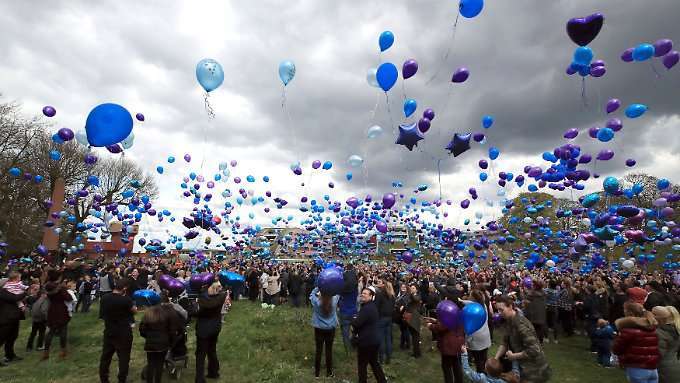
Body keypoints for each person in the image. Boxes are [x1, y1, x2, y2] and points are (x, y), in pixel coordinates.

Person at [494, 295, 552, 382]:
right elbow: (505, 342)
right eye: (498, 310)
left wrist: (514, 356)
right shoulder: (509, 321)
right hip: (522, 367)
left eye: (501, 310)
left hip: (534, 370)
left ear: (510, 306)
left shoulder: (521, 325)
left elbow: (534, 350)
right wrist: (496, 359)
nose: (499, 313)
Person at [613, 301, 661, 383]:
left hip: (637, 367)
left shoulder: (628, 331)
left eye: (624, 310)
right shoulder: (651, 329)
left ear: (630, 313)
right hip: (652, 368)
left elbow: (617, 348)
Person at [99, 278, 136, 383]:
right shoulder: (126, 300)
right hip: (123, 332)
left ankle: (104, 379)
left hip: (109, 331)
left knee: (105, 357)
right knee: (124, 358)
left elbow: (102, 316)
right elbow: (134, 311)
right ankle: (122, 379)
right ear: (124, 288)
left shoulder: (104, 298)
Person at [351, 287, 387, 383]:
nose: (363, 294)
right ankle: (382, 380)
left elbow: (356, 323)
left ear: (371, 296)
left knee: (362, 365)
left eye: (365, 293)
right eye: (362, 293)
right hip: (374, 340)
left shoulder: (367, 308)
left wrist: (353, 319)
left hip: (366, 342)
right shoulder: (371, 306)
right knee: (374, 363)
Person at [194, 282, 227, 383]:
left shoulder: (204, 301)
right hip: (215, 327)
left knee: (201, 354)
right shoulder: (220, 297)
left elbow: (196, 313)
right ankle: (213, 372)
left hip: (204, 329)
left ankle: (200, 378)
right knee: (212, 350)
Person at [140, 304, 178, 383]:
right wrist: (171, 342)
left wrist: (148, 336)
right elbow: (171, 331)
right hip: (162, 343)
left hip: (150, 343)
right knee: (159, 365)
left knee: (151, 364)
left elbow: (142, 330)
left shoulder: (147, 315)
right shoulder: (164, 315)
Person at [309, 286, 339, 378]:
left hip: (319, 328)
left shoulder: (316, 302)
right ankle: (329, 373)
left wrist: (319, 287)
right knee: (329, 350)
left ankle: (317, 374)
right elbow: (338, 292)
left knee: (319, 350)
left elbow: (311, 295)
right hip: (330, 328)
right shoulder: (334, 301)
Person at [425, 315, 465, 383]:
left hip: (449, 346)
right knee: (456, 364)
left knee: (447, 367)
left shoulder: (450, 314)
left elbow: (441, 327)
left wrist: (431, 326)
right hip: (457, 343)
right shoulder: (458, 314)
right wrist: (435, 321)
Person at [42, 279, 73, 360]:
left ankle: (46, 352)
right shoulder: (60, 290)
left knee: (50, 332)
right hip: (61, 311)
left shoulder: (48, 288)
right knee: (63, 331)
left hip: (52, 311)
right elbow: (69, 298)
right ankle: (63, 351)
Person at [0, 276, 26, 367]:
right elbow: (14, 298)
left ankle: (10, 355)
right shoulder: (2, 292)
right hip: (5, 318)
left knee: (12, 337)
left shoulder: (10, 291)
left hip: (13, 317)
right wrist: (26, 292)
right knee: (1, 338)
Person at [651, 306, 680, 383]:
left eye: (654, 314)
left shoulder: (660, 333)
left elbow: (658, 354)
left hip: (664, 368)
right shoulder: (677, 329)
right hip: (675, 364)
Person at [375, 278, 395, 364]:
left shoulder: (380, 295)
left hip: (381, 318)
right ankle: (388, 357)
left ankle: (381, 358)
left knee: (381, 338)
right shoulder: (392, 296)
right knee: (388, 338)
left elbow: (376, 306)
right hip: (389, 318)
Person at [403, 283, 423, 358]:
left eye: (413, 288)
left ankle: (417, 353)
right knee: (414, 335)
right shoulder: (411, 296)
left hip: (414, 318)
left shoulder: (418, 296)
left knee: (415, 336)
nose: (412, 289)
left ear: (416, 289)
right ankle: (416, 352)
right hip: (410, 317)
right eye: (411, 288)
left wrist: (411, 293)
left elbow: (415, 299)